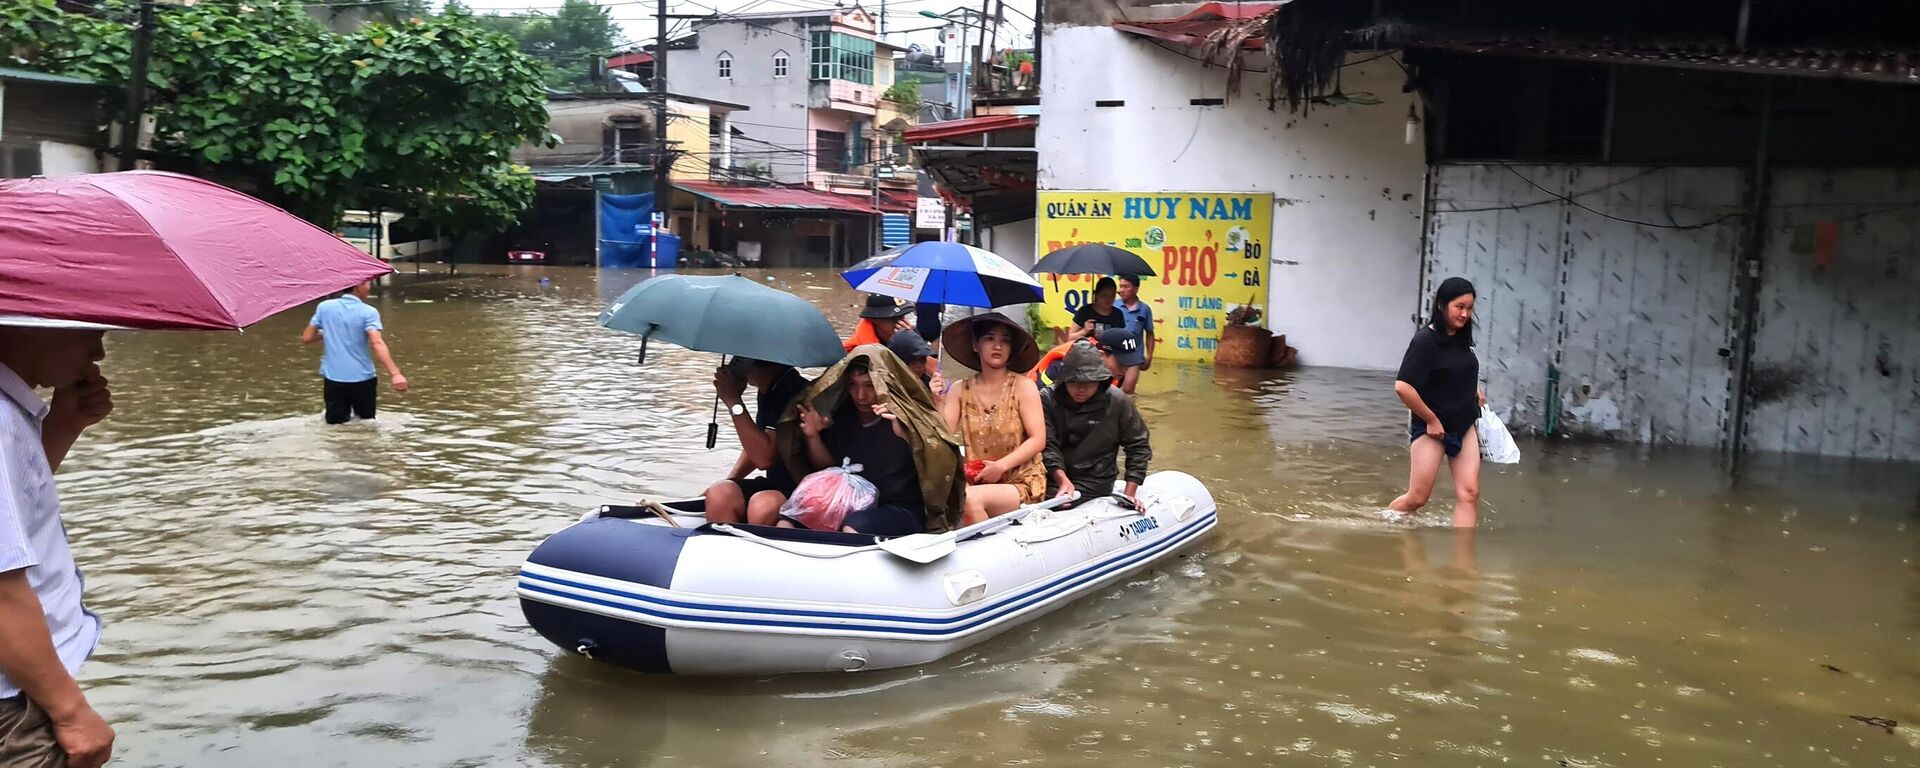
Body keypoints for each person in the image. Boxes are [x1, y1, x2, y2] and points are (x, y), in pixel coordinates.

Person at [0, 326, 116, 768]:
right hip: (15, 706)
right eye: (88, 332)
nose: (99, 352)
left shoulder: (11, 412)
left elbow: (16, 512)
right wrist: (71, 712)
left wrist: (63, 425)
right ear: (31, 323)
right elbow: (2, 587)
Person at [782, 353, 963, 535]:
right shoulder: (844, 417)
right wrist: (813, 437)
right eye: (853, 385)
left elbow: (940, 461)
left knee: (853, 526)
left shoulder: (906, 419)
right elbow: (828, 467)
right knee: (790, 519)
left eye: (869, 386)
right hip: (849, 500)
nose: (861, 396)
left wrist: (908, 436)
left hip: (900, 509)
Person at [1387, 277, 1486, 528]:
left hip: (1464, 426)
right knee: (1418, 498)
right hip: (1433, 429)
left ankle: (1463, 563)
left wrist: (1474, 389)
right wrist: (1431, 419)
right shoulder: (1424, 342)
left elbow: (1455, 369)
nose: (1465, 314)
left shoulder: (1462, 340)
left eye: (1469, 308)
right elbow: (1403, 387)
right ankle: (1385, 525)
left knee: (1469, 494)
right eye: (1459, 307)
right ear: (1442, 305)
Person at [939, 313, 1048, 526]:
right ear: (975, 344)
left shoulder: (1023, 386)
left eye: (1004, 340)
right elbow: (942, 436)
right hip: (977, 479)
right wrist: (937, 401)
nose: (997, 346)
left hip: (1021, 481)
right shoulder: (960, 389)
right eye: (989, 338)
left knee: (969, 499)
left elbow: (1038, 439)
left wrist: (1001, 467)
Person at [702, 357, 811, 526]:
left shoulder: (792, 391)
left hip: (804, 487)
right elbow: (759, 441)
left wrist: (733, 401)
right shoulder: (770, 389)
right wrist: (732, 479)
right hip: (777, 483)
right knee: (720, 493)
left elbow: (764, 458)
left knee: (762, 506)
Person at [1041, 341, 1152, 506]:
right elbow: (1047, 445)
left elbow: (1138, 445)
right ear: (1064, 380)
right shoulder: (1047, 399)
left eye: (1089, 384)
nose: (1081, 390)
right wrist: (1062, 480)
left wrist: (1130, 494)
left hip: (1095, 482)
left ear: (1100, 381)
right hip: (1051, 478)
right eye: (1075, 383)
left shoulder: (1117, 401)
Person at [301, 280, 408, 424]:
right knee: (366, 424)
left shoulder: (324, 307)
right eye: (368, 283)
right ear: (359, 286)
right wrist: (395, 374)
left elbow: (307, 337)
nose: (369, 287)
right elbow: (376, 343)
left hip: (334, 378)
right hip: (362, 378)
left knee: (335, 426)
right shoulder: (368, 312)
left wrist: (330, 331)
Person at [886, 329, 945, 399]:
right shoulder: (885, 387)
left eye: (922, 359)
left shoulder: (928, 384)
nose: (919, 366)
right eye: (913, 360)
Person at [1115, 274, 1156, 375]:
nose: (1121, 290)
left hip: (1135, 356)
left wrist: (1149, 357)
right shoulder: (1113, 306)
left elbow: (1150, 334)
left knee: (1128, 388)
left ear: (1136, 289)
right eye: (1120, 286)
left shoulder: (1145, 309)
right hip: (1114, 355)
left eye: (1126, 286)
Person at [842, 294, 913, 352]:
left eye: (902, 316)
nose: (901, 323)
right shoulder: (854, 353)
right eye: (894, 318)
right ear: (875, 319)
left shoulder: (913, 337)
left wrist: (913, 343)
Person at [1067, 277, 1128, 344]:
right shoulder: (1085, 311)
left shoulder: (1118, 314)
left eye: (1112, 295)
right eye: (1104, 296)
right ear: (1096, 295)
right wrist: (1084, 331)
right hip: (1086, 352)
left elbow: (1122, 339)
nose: (1108, 299)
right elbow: (1070, 338)